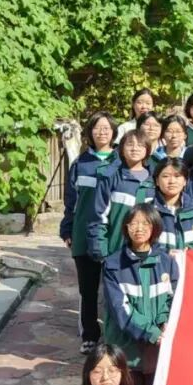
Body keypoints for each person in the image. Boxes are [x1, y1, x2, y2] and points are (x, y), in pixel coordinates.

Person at [101, 204, 178, 385]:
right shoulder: (113, 265)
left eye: (145, 223)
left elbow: (173, 300)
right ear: (126, 227)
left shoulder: (167, 262)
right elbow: (120, 310)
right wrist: (152, 333)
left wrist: (164, 324)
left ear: (155, 227)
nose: (139, 228)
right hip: (126, 349)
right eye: (133, 223)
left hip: (158, 351)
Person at [61, 112, 118, 354]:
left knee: (116, 288)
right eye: (97, 128)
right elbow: (71, 201)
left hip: (115, 237)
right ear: (90, 132)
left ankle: (116, 335)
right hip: (84, 236)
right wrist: (67, 229)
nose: (102, 132)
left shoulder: (121, 162)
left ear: (114, 132)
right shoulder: (80, 164)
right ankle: (90, 335)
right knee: (88, 290)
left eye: (106, 128)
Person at [88, 131, 154, 261]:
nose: (135, 148)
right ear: (122, 149)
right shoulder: (111, 177)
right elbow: (98, 216)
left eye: (140, 145)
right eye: (130, 144)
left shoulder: (155, 180)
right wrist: (100, 251)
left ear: (147, 149)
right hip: (115, 251)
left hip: (147, 254)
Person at [151, 158, 193, 251]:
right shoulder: (148, 213)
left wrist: (191, 251)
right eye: (165, 176)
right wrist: (166, 253)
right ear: (157, 181)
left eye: (177, 176)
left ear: (185, 181)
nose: (172, 181)